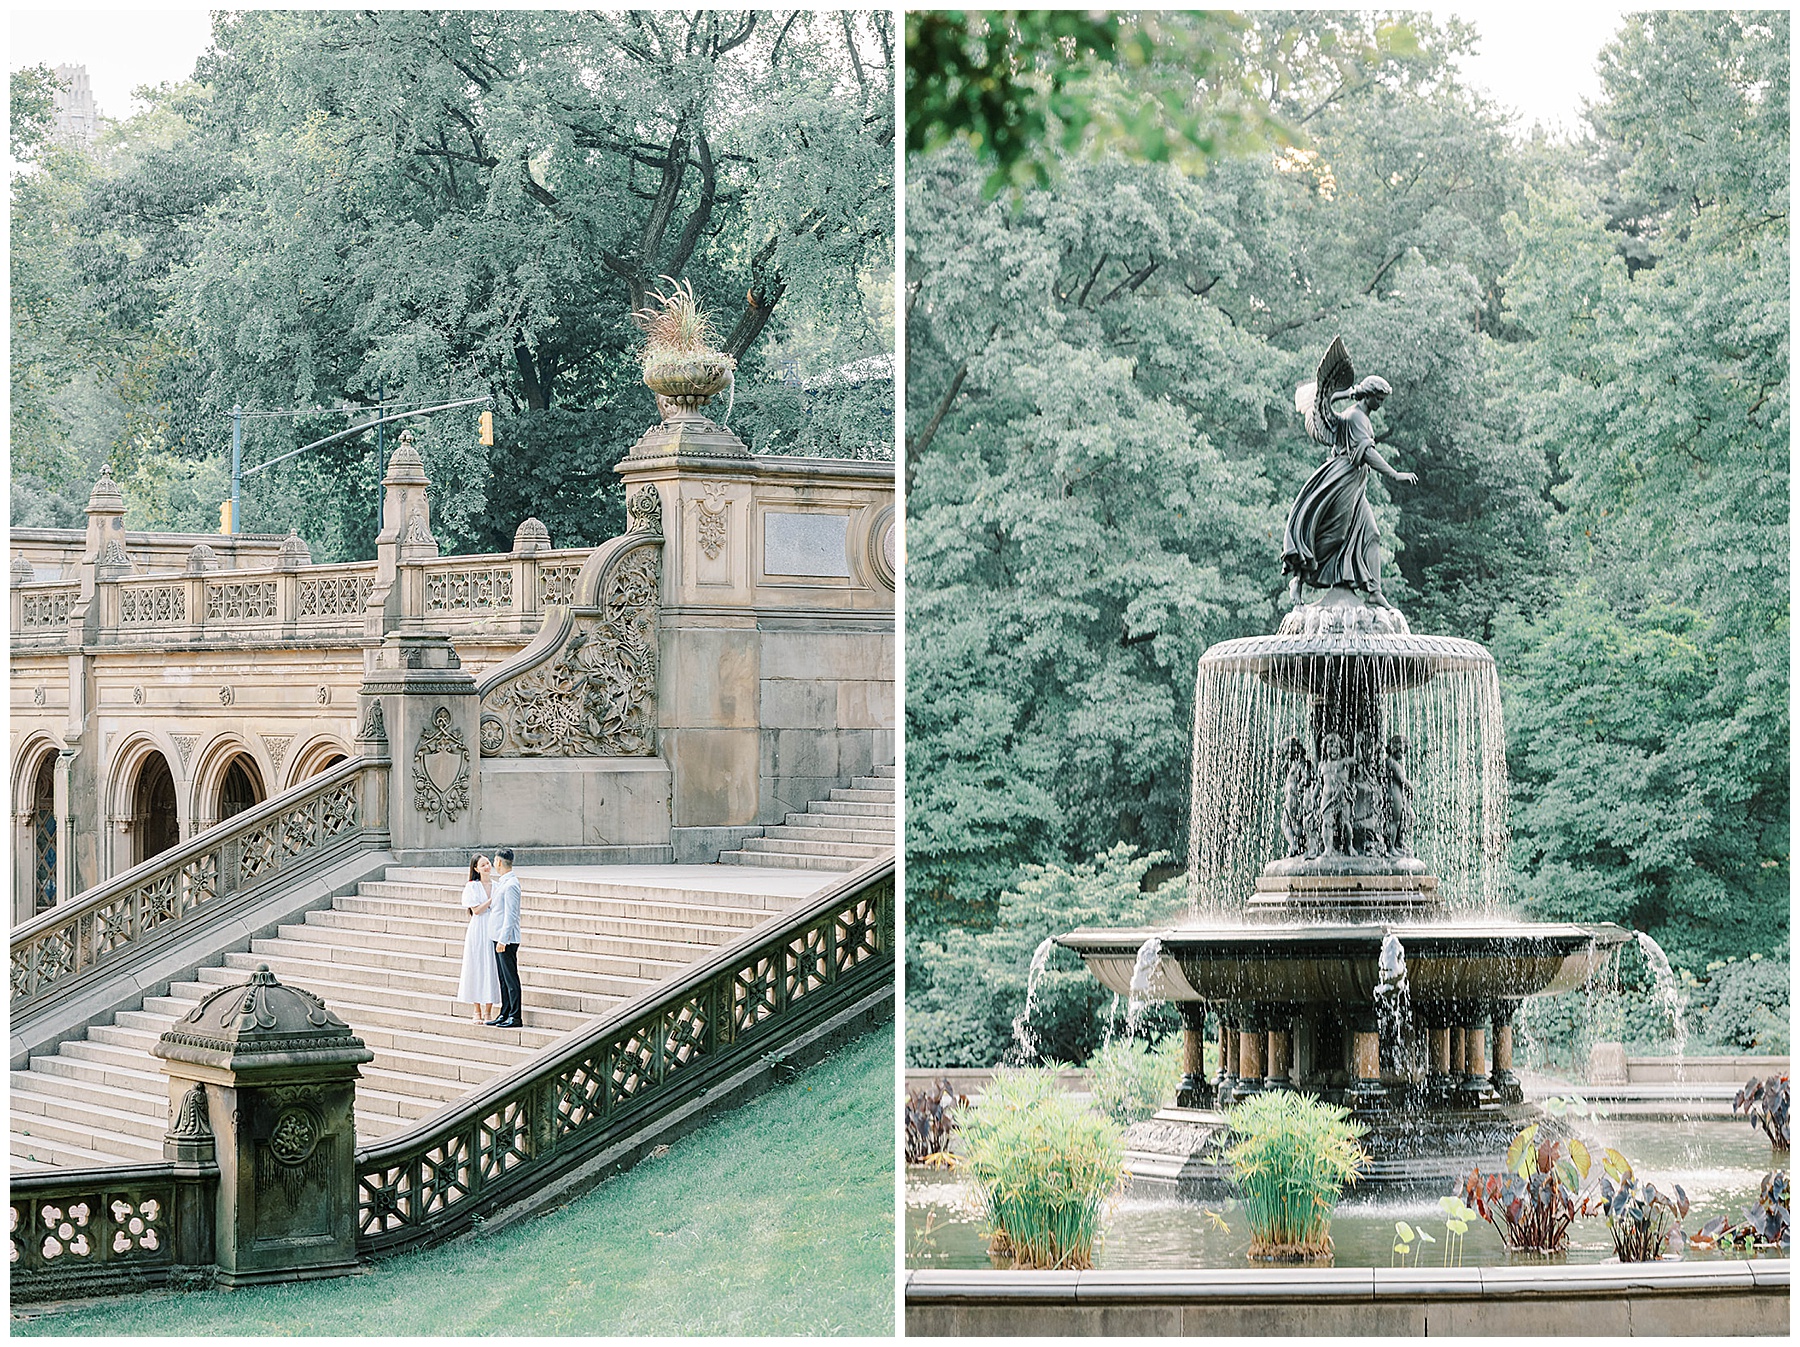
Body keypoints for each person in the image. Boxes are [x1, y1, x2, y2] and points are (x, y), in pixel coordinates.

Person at [1283, 369, 1417, 608]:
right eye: (1379, 398)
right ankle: (1299, 578)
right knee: (1336, 535)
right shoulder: (1355, 417)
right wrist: (1395, 475)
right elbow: (1366, 453)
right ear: (1369, 395)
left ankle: (1374, 590)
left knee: (1372, 533)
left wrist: (1346, 393)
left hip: (1356, 484)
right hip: (1343, 480)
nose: (1381, 403)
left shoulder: (1359, 416)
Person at [455, 855, 500, 1022]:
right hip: (478, 927)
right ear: (476, 869)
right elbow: (476, 910)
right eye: (483, 865)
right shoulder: (472, 887)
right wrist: (491, 900)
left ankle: (489, 1009)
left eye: (488, 863)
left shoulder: (497, 885)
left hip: (493, 926)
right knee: (476, 965)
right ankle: (477, 1009)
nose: (487, 867)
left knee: (491, 965)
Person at [488, 848, 523, 1028]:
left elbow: (511, 915)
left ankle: (515, 1016)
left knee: (510, 979)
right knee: (502, 978)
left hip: (507, 939)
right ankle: (505, 1012)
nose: (494, 863)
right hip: (498, 936)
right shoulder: (502, 883)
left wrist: (503, 939)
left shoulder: (511, 885)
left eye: (494, 860)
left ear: (499, 862)